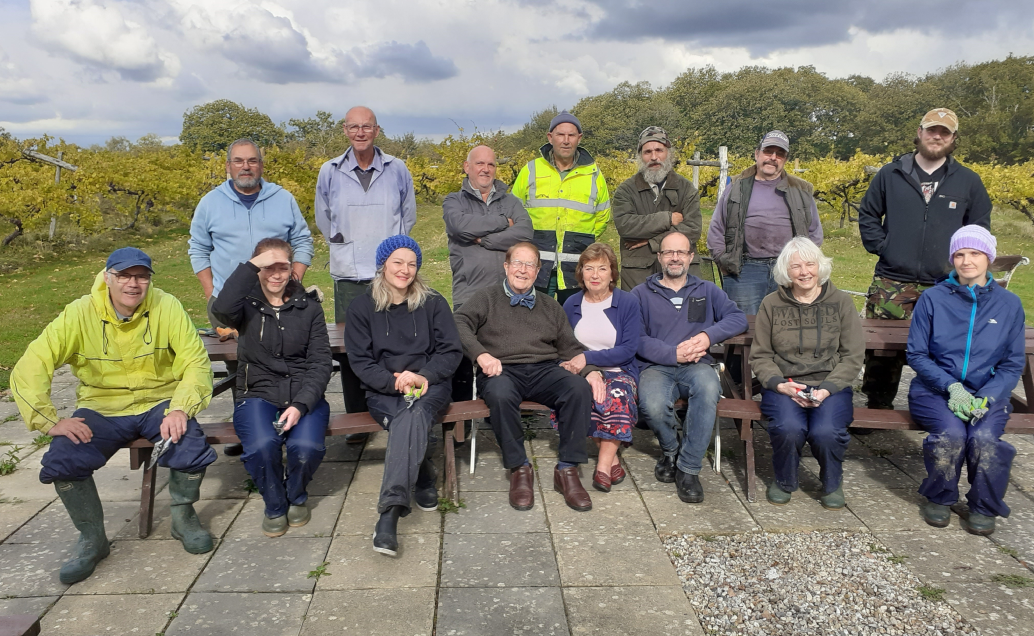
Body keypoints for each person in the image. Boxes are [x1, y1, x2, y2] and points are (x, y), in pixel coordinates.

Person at [10, 248, 217, 584]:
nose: (133, 284)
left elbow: (195, 362)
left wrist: (180, 407)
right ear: (107, 277)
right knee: (63, 459)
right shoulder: (80, 312)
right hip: (102, 406)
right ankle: (92, 538)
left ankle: (183, 518)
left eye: (141, 276)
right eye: (124, 275)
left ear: (149, 280)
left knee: (190, 444)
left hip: (158, 402)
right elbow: (32, 364)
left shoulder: (167, 306)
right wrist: (49, 421)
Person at [454, 241, 605, 512]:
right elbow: (458, 322)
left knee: (577, 388)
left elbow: (569, 346)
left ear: (537, 271)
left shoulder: (550, 305)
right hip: (502, 369)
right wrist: (481, 355)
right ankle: (519, 468)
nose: (522, 270)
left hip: (544, 369)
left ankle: (567, 470)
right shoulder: (486, 298)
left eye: (529, 265)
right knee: (500, 394)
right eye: (517, 263)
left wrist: (590, 371)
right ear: (506, 267)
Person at [859, 108, 993, 413]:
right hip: (892, 279)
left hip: (946, 284)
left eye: (945, 132)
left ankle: (940, 405)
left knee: (946, 347)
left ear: (953, 139)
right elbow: (868, 214)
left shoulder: (968, 181)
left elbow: (978, 230)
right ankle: (877, 406)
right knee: (882, 350)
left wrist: (962, 263)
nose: (937, 136)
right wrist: (884, 247)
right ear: (919, 133)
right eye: (932, 130)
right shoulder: (890, 174)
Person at [189, 137, 314, 456]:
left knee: (283, 360)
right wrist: (211, 292)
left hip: (277, 300)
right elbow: (198, 248)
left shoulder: (282, 199)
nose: (246, 167)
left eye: (252, 160)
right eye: (239, 161)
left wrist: (295, 279)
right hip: (229, 302)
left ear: (261, 164)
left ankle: (289, 424)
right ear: (228, 166)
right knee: (239, 367)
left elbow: (302, 240)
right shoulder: (210, 203)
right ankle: (249, 431)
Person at [345, 236, 462, 556]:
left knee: (414, 414)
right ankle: (423, 476)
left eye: (412, 264)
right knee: (407, 418)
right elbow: (360, 361)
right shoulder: (362, 307)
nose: (405, 270)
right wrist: (393, 383)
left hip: (430, 385)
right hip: (383, 389)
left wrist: (423, 376)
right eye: (397, 262)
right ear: (383, 265)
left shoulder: (433, 302)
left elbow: (450, 352)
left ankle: (390, 513)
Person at [907, 226, 1025, 536]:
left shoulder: (1009, 304)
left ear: (989, 258)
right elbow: (917, 354)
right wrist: (952, 387)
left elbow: (1012, 363)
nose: (966, 261)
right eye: (959, 254)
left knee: (984, 439)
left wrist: (988, 395)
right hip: (934, 390)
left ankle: (984, 505)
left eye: (975, 253)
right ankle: (940, 496)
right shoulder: (932, 298)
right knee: (951, 434)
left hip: (986, 392)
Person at [211, 238, 332, 537]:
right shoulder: (244, 305)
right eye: (268, 267)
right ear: (257, 268)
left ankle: (297, 495)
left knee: (306, 448)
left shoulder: (309, 307)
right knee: (262, 446)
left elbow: (320, 362)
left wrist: (301, 404)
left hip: (302, 393)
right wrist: (252, 266)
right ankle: (275, 504)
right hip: (257, 392)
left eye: (283, 267)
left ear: (292, 269)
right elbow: (221, 309)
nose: (276, 274)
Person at [316, 106, 417, 444]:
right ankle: (357, 420)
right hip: (348, 273)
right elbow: (323, 216)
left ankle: (396, 409)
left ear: (377, 130)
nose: (360, 132)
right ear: (345, 130)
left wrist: (393, 253)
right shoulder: (330, 171)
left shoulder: (397, 169)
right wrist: (343, 241)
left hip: (389, 273)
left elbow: (408, 215)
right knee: (351, 349)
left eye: (367, 127)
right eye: (354, 127)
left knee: (394, 341)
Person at [748, 238, 865, 509]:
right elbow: (761, 355)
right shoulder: (771, 304)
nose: (804, 272)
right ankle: (784, 480)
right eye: (796, 266)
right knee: (788, 428)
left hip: (830, 384)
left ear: (820, 266)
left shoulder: (841, 302)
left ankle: (832, 482)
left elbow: (852, 356)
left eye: (810, 264)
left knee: (826, 431)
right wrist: (780, 385)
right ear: (785, 271)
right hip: (786, 384)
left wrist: (827, 388)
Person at [632, 232, 747, 503]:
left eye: (681, 252)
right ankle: (671, 450)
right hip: (656, 366)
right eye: (669, 252)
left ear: (691, 257)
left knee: (708, 389)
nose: (675, 258)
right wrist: (672, 354)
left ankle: (688, 469)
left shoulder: (707, 290)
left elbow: (737, 318)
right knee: (652, 405)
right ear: (659, 257)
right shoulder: (639, 294)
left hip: (697, 366)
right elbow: (636, 338)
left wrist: (708, 336)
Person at [706, 130, 823, 389]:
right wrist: (724, 260)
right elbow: (716, 229)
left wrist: (803, 266)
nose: (773, 158)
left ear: (785, 159)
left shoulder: (801, 190)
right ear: (757, 154)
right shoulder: (737, 187)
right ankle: (736, 388)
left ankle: (783, 386)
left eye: (779, 154)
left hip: (788, 271)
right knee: (740, 331)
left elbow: (814, 233)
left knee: (788, 330)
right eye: (768, 152)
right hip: (746, 269)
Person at [442, 144, 533, 404]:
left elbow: (525, 231)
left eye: (491, 164)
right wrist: (503, 222)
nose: (486, 169)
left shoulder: (511, 201)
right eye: (479, 163)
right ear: (467, 167)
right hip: (469, 291)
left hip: (506, 293)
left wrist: (484, 240)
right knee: (463, 356)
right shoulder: (453, 201)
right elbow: (460, 226)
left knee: (503, 358)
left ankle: (497, 411)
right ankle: (459, 416)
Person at [559, 243, 642, 492]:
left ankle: (603, 467)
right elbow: (563, 345)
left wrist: (587, 357)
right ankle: (614, 461)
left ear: (612, 273)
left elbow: (628, 349)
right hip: (580, 371)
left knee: (615, 395)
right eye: (589, 268)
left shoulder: (627, 302)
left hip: (619, 370)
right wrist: (586, 367)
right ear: (581, 272)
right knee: (578, 394)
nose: (595, 275)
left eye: (602, 268)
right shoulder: (571, 303)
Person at [511, 111, 611, 305]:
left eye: (571, 135)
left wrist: (579, 241)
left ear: (579, 138)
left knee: (574, 318)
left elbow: (602, 216)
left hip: (576, 267)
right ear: (550, 137)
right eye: (560, 135)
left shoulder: (593, 174)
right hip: (537, 266)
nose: (566, 141)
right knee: (536, 318)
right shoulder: (531, 170)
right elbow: (513, 211)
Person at [612, 126, 701, 290]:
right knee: (638, 308)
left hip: (681, 276)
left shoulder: (686, 189)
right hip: (638, 277)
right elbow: (625, 226)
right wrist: (668, 218)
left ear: (668, 153)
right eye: (647, 152)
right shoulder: (626, 190)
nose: (654, 157)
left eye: (659, 150)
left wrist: (651, 241)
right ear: (640, 156)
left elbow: (693, 229)